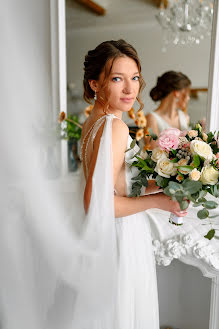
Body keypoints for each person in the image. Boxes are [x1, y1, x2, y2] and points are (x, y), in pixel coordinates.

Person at [79, 40, 188, 329]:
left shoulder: (93, 123)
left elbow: (116, 183)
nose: (130, 89)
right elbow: (96, 203)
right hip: (118, 237)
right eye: (117, 79)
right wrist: (158, 201)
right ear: (95, 84)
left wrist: (155, 184)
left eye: (135, 78)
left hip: (104, 237)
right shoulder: (114, 126)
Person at [145, 71, 191, 149]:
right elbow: (153, 151)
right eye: (186, 92)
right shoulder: (151, 119)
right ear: (176, 93)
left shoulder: (185, 118)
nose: (188, 98)